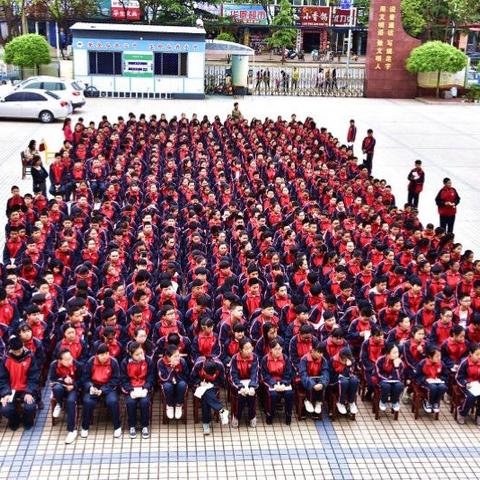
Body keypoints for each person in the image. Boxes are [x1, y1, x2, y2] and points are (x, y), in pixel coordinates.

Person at [81, 343, 121, 438]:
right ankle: (85, 427)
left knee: (113, 401)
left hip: (108, 387)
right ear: (97, 354)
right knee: (87, 402)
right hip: (94, 387)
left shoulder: (113, 362)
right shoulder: (91, 362)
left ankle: (117, 427)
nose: (105, 356)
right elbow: (85, 378)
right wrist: (90, 387)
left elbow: (115, 379)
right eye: (102, 354)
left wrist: (103, 390)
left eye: (107, 353)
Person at [0, 336, 40, 430]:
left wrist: (29, 392)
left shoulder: (30, 357)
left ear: (23, 346)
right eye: (15, 351)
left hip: (26, 389)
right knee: (5, 409)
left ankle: (27, 421)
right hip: (11, 390)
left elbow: (34, 377)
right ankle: (15, 420)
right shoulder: (5, 359)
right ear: (11, 349)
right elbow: (2, 379)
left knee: (30, 407)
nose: (18, 353)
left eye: (19, 350)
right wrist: (5, 393)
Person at [121, 341, 154, 439]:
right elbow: (123, 379)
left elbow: (151, 377)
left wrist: (146, 388)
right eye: (137, 354)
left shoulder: (148, 361)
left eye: (141, 353)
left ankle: (144, 426)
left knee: (145, 402)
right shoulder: (125, 362)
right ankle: (132, 426)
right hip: (131, 388)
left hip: (144, 388)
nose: (140, 356)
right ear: (131, 354)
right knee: (131, 403)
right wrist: (130, 390)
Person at [49, 348, 83, 444]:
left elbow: (83, 380)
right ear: (60, 360)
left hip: (73, 388)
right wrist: (63, 380)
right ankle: (59, 404)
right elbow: (52, 379)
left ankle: (72, 430)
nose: (70, 361)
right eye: (66, 360)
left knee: (71, 402)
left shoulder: (78, 365)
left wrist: (73, 385)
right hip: (61, 387)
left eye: (70, 358)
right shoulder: (54, 365)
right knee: (57, 388)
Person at [191, 356, 230, 435]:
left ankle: (206, 423)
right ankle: (221, 411)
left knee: (206, 396)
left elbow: (222, 380)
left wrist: (212, 384)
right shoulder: (198, 364)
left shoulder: (219, 365)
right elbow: (192, 378)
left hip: (213, 386)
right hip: (200, 386)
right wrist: (200, 383)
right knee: (206, 393)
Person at [261, 339, 294, 425]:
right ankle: (270, 415)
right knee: (273, 395)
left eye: (280, 348)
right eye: (275, 349)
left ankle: (288, 415)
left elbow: (288, 373)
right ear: (270, 349)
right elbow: (265, 375)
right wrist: (274, 384)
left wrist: (283, 383)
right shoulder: (265, 359)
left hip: (283, 382)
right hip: (270, 382)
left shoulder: (285, 358)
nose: (278, 351)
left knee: (289, 394)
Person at [229, 338, 259, 428]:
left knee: (251, 395)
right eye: (246, 349)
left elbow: (255, 373)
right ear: (241, 350)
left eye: (250, 348)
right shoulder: (235, 358)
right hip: (238, 383)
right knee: (241, 395)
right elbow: (233, 375)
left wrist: (252, 386)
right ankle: (236, 416)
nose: (249, 351)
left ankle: (252, 416)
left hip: (250, 382)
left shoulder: (255, 357)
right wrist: (240, 387)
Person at [157, 344, 189, 420]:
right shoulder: (160, 362)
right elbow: (163, 378)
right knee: (168, 386)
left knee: (182, 384)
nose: (178, 358)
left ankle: (179, 405)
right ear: (168, 356)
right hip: (167, 382)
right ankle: (170, 405)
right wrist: (172, 369)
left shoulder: (182, 361)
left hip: (179, 381)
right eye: (175, 356)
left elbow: (186, 375)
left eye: (178, 355)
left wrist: (177, 368)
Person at [415, 346, 448, 414]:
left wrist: (440, 379)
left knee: (443, 387)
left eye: (440, 356)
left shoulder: (441, 364)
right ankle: (428, 402)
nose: (439, 358)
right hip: (425, 383)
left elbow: (445, 374)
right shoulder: (422, 363)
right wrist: (425, 379)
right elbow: (417, 376)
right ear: (430, 356)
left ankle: (436, 402)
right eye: (437, 356)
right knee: (433, 387)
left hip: (437, 381)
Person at [299, 344, 330, 415]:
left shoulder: (323, 360)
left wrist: (322, 383)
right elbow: (303, 374)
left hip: (318, 380)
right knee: (308, 381)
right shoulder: (304, 359)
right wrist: (312, 385)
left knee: (321, 381)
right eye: (319, 352)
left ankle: (318, 402)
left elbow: (325, 373)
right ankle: (308, 400)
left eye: (322, 353)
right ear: (312, 351)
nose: (321, 355)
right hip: (307, 381)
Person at [455, 343, 480, 425]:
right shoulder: (464, 363)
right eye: (477, 354)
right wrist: (466, 383)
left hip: (477, 385)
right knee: (470, 397)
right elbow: (458, 377)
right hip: (466, 385)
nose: (479, 357)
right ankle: (462, 412)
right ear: (470, 354)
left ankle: (479, 415)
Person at [375, 343, 404, 412]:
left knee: (399, 386)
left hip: (395, 380)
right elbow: (378, 373)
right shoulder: (380, 360)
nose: (397, 354)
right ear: (388, 353)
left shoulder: (400, 362)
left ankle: (395, 402)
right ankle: (383, 401)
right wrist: (386, 379)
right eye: (394, 353)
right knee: (386, 386)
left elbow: (400, 376)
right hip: (382, 379)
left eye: (397, 352)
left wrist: (396, 367)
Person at [329, 347, 359, 415]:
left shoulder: (351, 361)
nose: (346, 360)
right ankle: (340, 402)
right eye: (344, 359)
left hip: (348, 380)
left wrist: (348, 366)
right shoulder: (333, 360)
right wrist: (343, 370)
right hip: (336, 382)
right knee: (344, 382)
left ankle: (351, 402)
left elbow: (351, 373)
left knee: (355, 380)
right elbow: (331, 375)